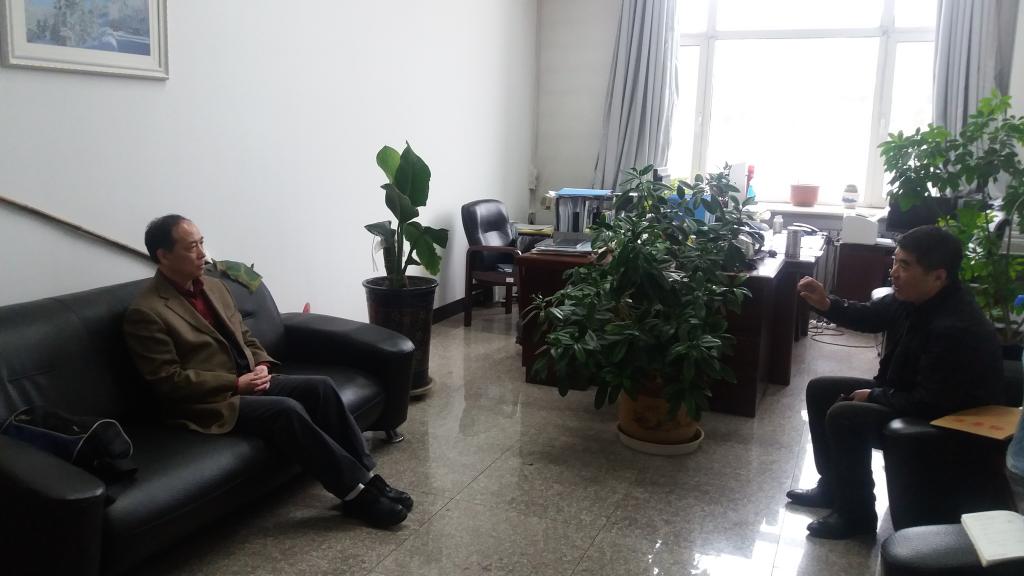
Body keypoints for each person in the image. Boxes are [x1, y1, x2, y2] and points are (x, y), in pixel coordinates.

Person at [123, 214, 411, 529]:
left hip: (249, 379)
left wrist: (261, 364)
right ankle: (355, 495)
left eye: (201, 243)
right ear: (164, 255)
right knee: (285, 410)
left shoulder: (215, 287)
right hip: (208, 402)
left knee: (321, 387)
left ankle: (368, 478)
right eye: (192, 247)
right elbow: (168, 381)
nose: (202, 253)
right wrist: (235, 383)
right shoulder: (147, 312)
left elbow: (245, 336)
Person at [788, 225, 1004, 539]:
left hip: (947, 420)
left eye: (905, 265)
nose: (894, 272)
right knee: (821, 390)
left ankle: (856, 516)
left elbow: (929, 402)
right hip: (913, 394)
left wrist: (874, 396)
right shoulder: (915, 297)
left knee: (846, 415)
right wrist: (827, 304)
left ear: (938, 276)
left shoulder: (955, 327)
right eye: (895, 261)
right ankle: (832, 487)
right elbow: (871, 316)